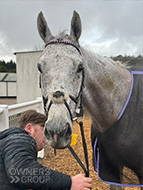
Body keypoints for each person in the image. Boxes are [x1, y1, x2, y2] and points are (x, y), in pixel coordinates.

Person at [0, 109, 92, 190]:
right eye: (44, 130)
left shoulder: (11, 140)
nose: (48, 137)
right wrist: (69, 183)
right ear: (29, 128)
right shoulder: (19, 139)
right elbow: (21, 172)